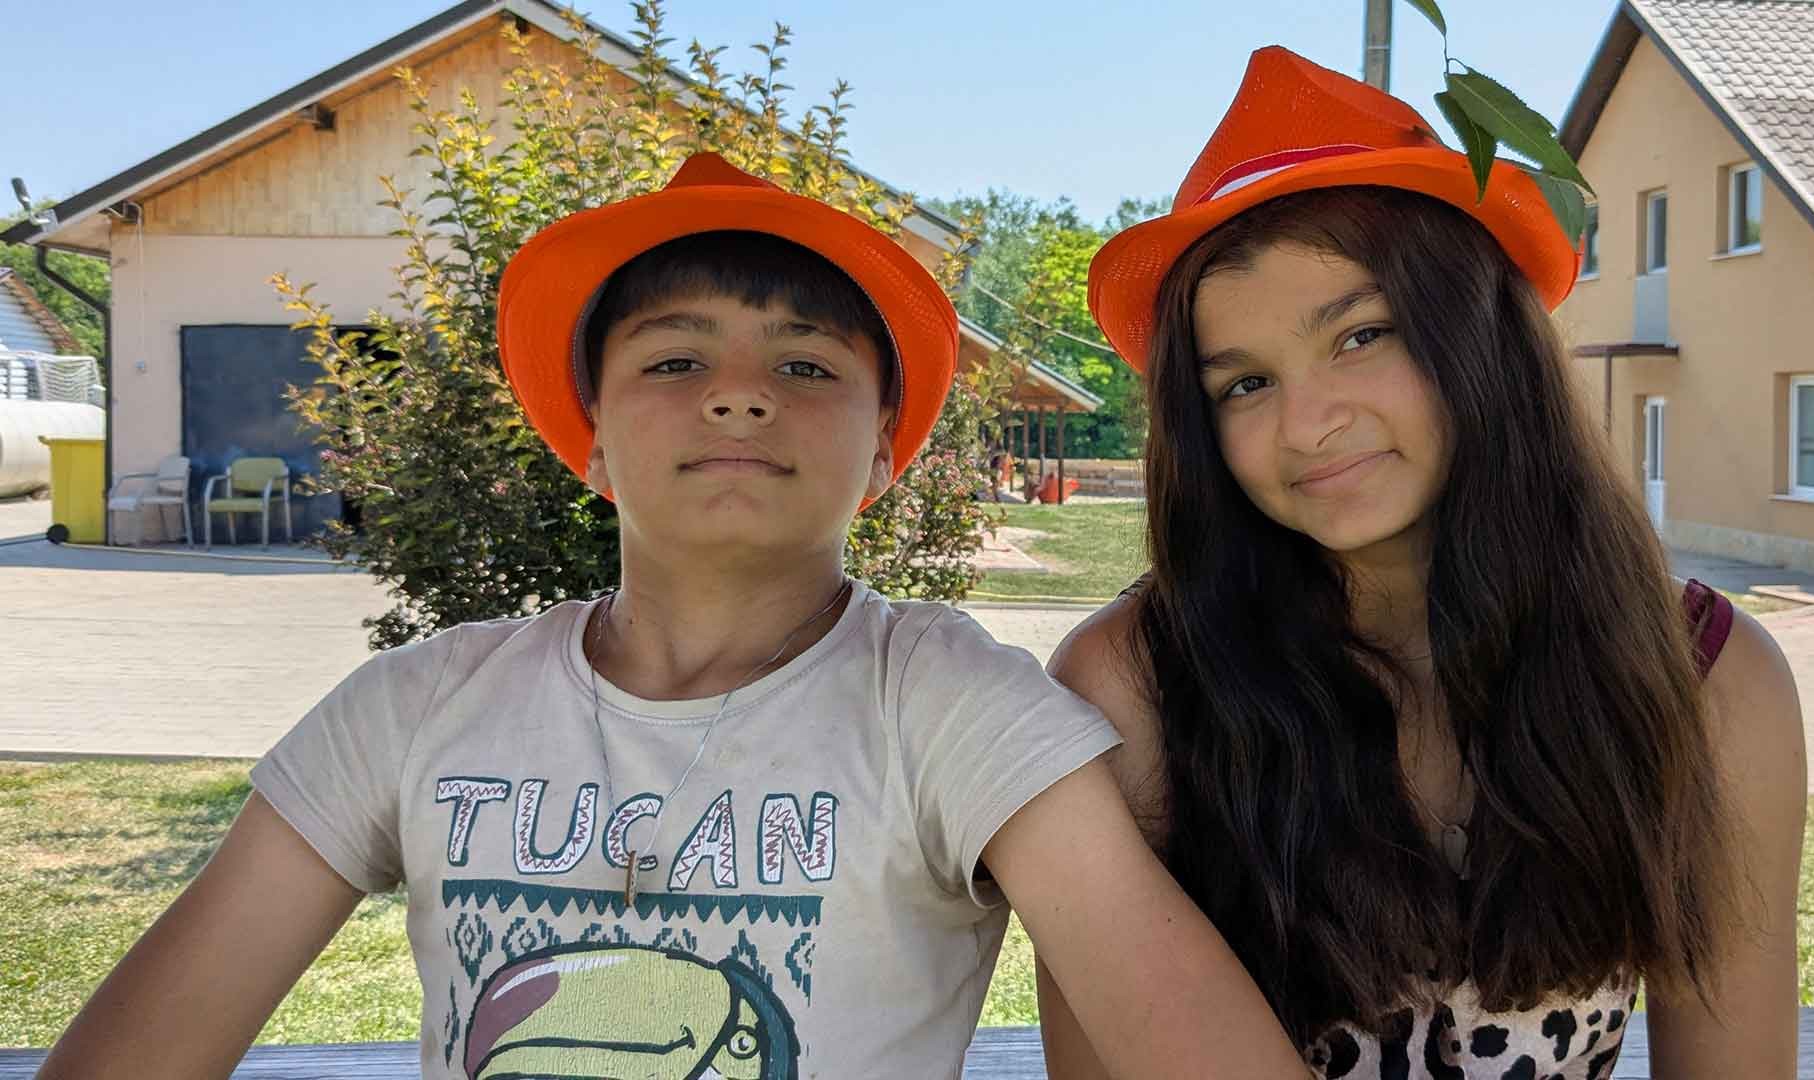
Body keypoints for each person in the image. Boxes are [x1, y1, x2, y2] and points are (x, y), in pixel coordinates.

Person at [36, 154, 1307, 1079]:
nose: (740, 397)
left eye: (805, 365)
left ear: (883, 452)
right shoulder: (416, 707)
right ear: (589, 440)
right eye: (675, 359)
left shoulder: (950, 707)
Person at [1037, 48, 1806, 1079]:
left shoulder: (1711, 677)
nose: (1307, 424)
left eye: (1361, 336)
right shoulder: (1133, 687)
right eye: (1245, 385)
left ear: (1481, 335)